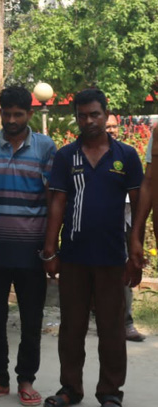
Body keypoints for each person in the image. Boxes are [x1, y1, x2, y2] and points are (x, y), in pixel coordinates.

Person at [42, 89, 142, 407]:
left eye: (94, 114)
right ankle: (70, 389)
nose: (88, 121)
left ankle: (110, 391)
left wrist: (135, 249)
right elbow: (57, 202)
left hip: (112, 257)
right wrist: (50, 250)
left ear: (106, 114)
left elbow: (139, 206)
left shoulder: (126, 155)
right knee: (72, 328)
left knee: (112, 328)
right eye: (82, 115)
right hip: (74, 256)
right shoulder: (66, 156)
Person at [0, 86, 56, 406]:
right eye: (6, 114)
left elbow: (52, 199)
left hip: (32, 251)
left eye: (18, 114)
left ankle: (26, 380)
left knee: (31, 321)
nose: (11, 120)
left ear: (29, 114)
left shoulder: (46, 148)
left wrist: (50, 248)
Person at [106, 114, 146, 342]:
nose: (111, 130)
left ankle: (127, 322)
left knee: (124, 272)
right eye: (107, 126)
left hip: (125, 223)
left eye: (114, 126)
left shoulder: (127, 154)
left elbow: (140, 191)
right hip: (97, 226)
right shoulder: (84, 154)